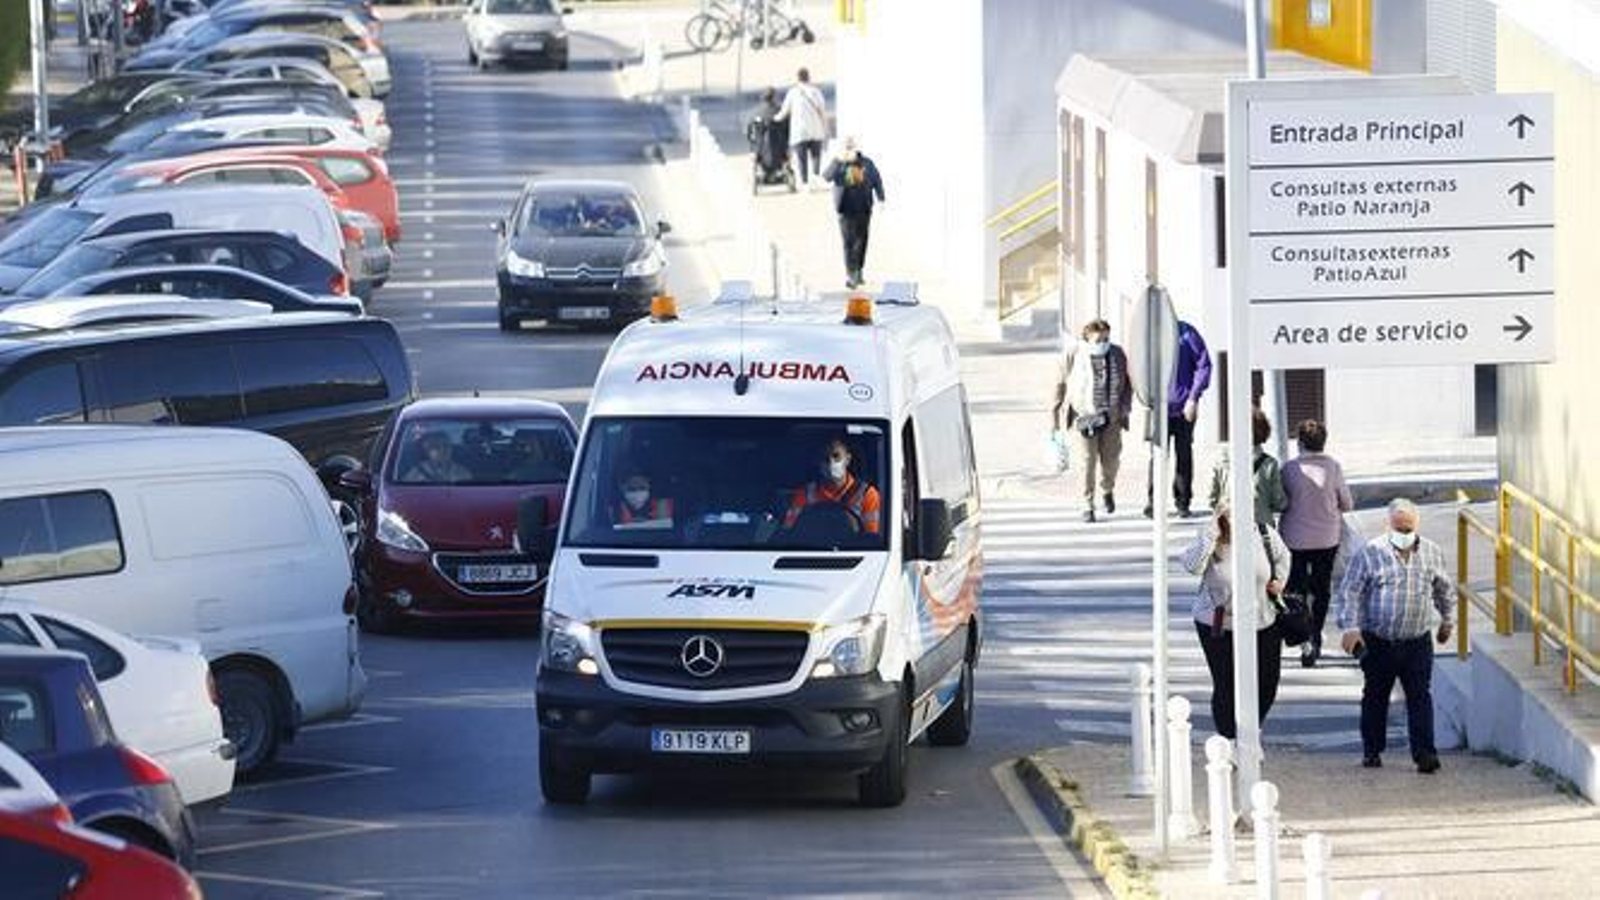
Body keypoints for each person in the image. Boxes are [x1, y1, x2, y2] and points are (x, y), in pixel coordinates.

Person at [1337, 498, 1453, 773]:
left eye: (1408, 528)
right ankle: (1372, 750)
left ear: (1417, 526)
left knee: (1420, 697)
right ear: (1388, 526)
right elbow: (1350, 591)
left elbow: (1443, 589)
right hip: (1379, 640)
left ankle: (1425, 753)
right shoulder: (1370, 552)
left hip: (1417, 641)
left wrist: (1448, 620)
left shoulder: (1432, 553)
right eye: (1398, 528)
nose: (1403, 534)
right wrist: (1350, 628)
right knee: (1376, 696)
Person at [1181, 500, 1289, 740]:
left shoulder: (1263, 533)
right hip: (1219, 622)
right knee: (1227, 684)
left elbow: (1283, 557)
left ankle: (1251, 732)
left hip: (1262, 619)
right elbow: (1191, 566)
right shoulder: (1211, 537)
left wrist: (1279, 581)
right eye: (1230, 514)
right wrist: (1211, 535)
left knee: (1267, 683)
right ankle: (1230, 740)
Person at [1279, 419, 1353, 668]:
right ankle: (1316, 636)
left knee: (1296, 590)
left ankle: (1304, 640)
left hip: (1294, 539)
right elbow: (1347, 503)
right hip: (1326, 538)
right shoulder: (1333, 467)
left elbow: (1281, 502)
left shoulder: (1289, 469)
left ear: (1299, 443)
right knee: (1321, 590)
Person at [1049, 318, 1132, 522]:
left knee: (1111, 461)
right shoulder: (1073, 354)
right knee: (1087, 462)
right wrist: (1054, 415)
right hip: (1083, 417)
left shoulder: (1118, 354)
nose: (1103, 343)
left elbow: (1128, 384)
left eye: (1106, 338)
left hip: (1111, 417)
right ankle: (1087, 503)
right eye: (1098, 339)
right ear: (1087, 338)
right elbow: (1059, 383)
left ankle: (1107, 489)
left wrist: (1124, 408)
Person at [1146, 320, 1212, 518]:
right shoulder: (1149, 332)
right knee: (1157, 456)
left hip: (1185, 408)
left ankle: (1183, 502)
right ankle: (1154, 503)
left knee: (1183, 454)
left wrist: (1193, 398)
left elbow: (1204, 365)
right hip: (1157, 408)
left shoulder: (1186, 332)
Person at [1206, 407, 1288, 527]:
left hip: (1228, 527)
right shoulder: (1270, 463)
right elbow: (1278, 502)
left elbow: (1212, 499)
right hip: (1261, 528)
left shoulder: (1221, 460)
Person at [783, 437, 882, 535]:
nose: (831, 462)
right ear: (819, 463)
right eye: (825, 458)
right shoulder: (805, 494)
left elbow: (871, 538)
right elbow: (789, 533)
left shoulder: (867, 495)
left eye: (836, 456)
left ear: (847, 459)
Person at [822, 137, 884, 289]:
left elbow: (877, 180)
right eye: (846, 147)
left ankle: (859, 270)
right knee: (848, 242)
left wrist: (881, 198)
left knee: (862, 241)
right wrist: (838, 160)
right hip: (845, 209)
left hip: (864, 207)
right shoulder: (838, 163)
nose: (849, 150)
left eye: (851, 147)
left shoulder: (866, 163)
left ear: (856, 148)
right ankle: (851, 275)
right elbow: (826, 177)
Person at [773, 67, 829, 186]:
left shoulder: (793, 92)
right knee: (816, 156)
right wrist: (825, 127)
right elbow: (823, 111)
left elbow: (784, 112)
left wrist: (774, 119)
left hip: (800, 131)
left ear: (797, 78)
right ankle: (815, 177)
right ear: (808, 77)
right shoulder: (816, 92)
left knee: (802, 158)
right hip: (816, 129)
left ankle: (805, 182)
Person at [404, 431, 472, 484]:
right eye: (437, 447)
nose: (443, 450)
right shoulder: (415, 473)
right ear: (427, 451)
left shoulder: (462, 472)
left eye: (446, 445)